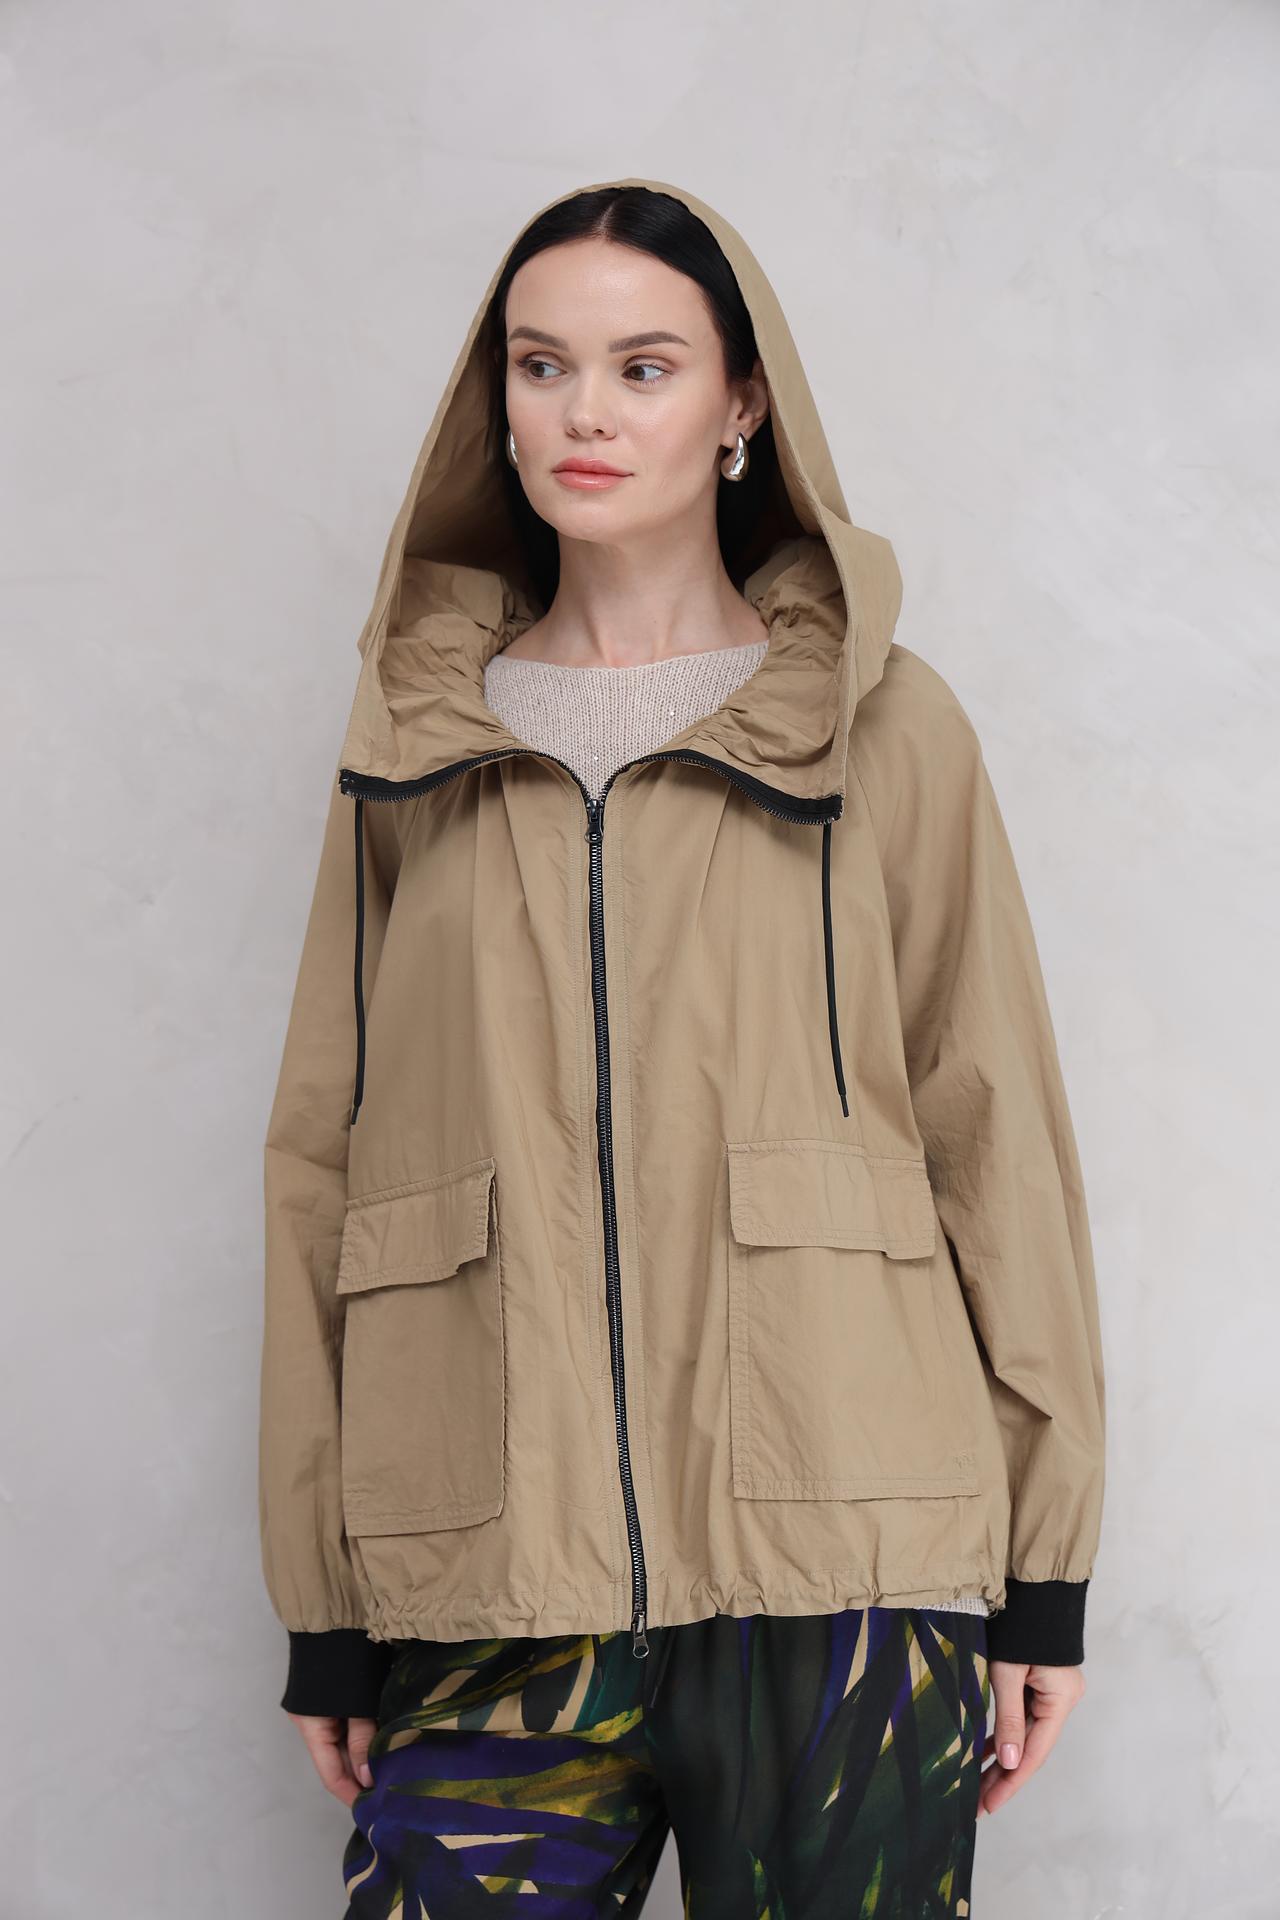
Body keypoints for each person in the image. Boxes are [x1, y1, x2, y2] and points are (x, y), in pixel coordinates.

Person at [258, 176, 1106, 1915]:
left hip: (843, 1558)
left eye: (643, 367)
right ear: (498, 405)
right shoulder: (417, 740)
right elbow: (322, 1154)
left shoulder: (885, 726)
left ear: (741, 408)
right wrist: (325, 1599)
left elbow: (994, 1128)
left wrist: (1044, 1568)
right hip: (495, 1568)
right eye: (542, 365)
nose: (585, 411)